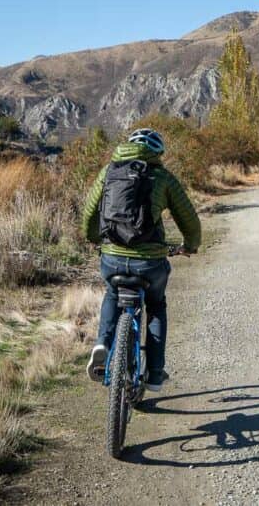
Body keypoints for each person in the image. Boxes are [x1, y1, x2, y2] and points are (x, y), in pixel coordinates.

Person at [81, 128, 201, 391]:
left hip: (112, 258)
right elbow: (189, 220)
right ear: (158, 153)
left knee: (112, 294)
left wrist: (93, 239)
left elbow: (90, 212)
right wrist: (189, 245)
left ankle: (102, 342)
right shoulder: (163, 177)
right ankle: (155, 374)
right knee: (156, 305)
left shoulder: (109, 171)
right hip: (150, 262)